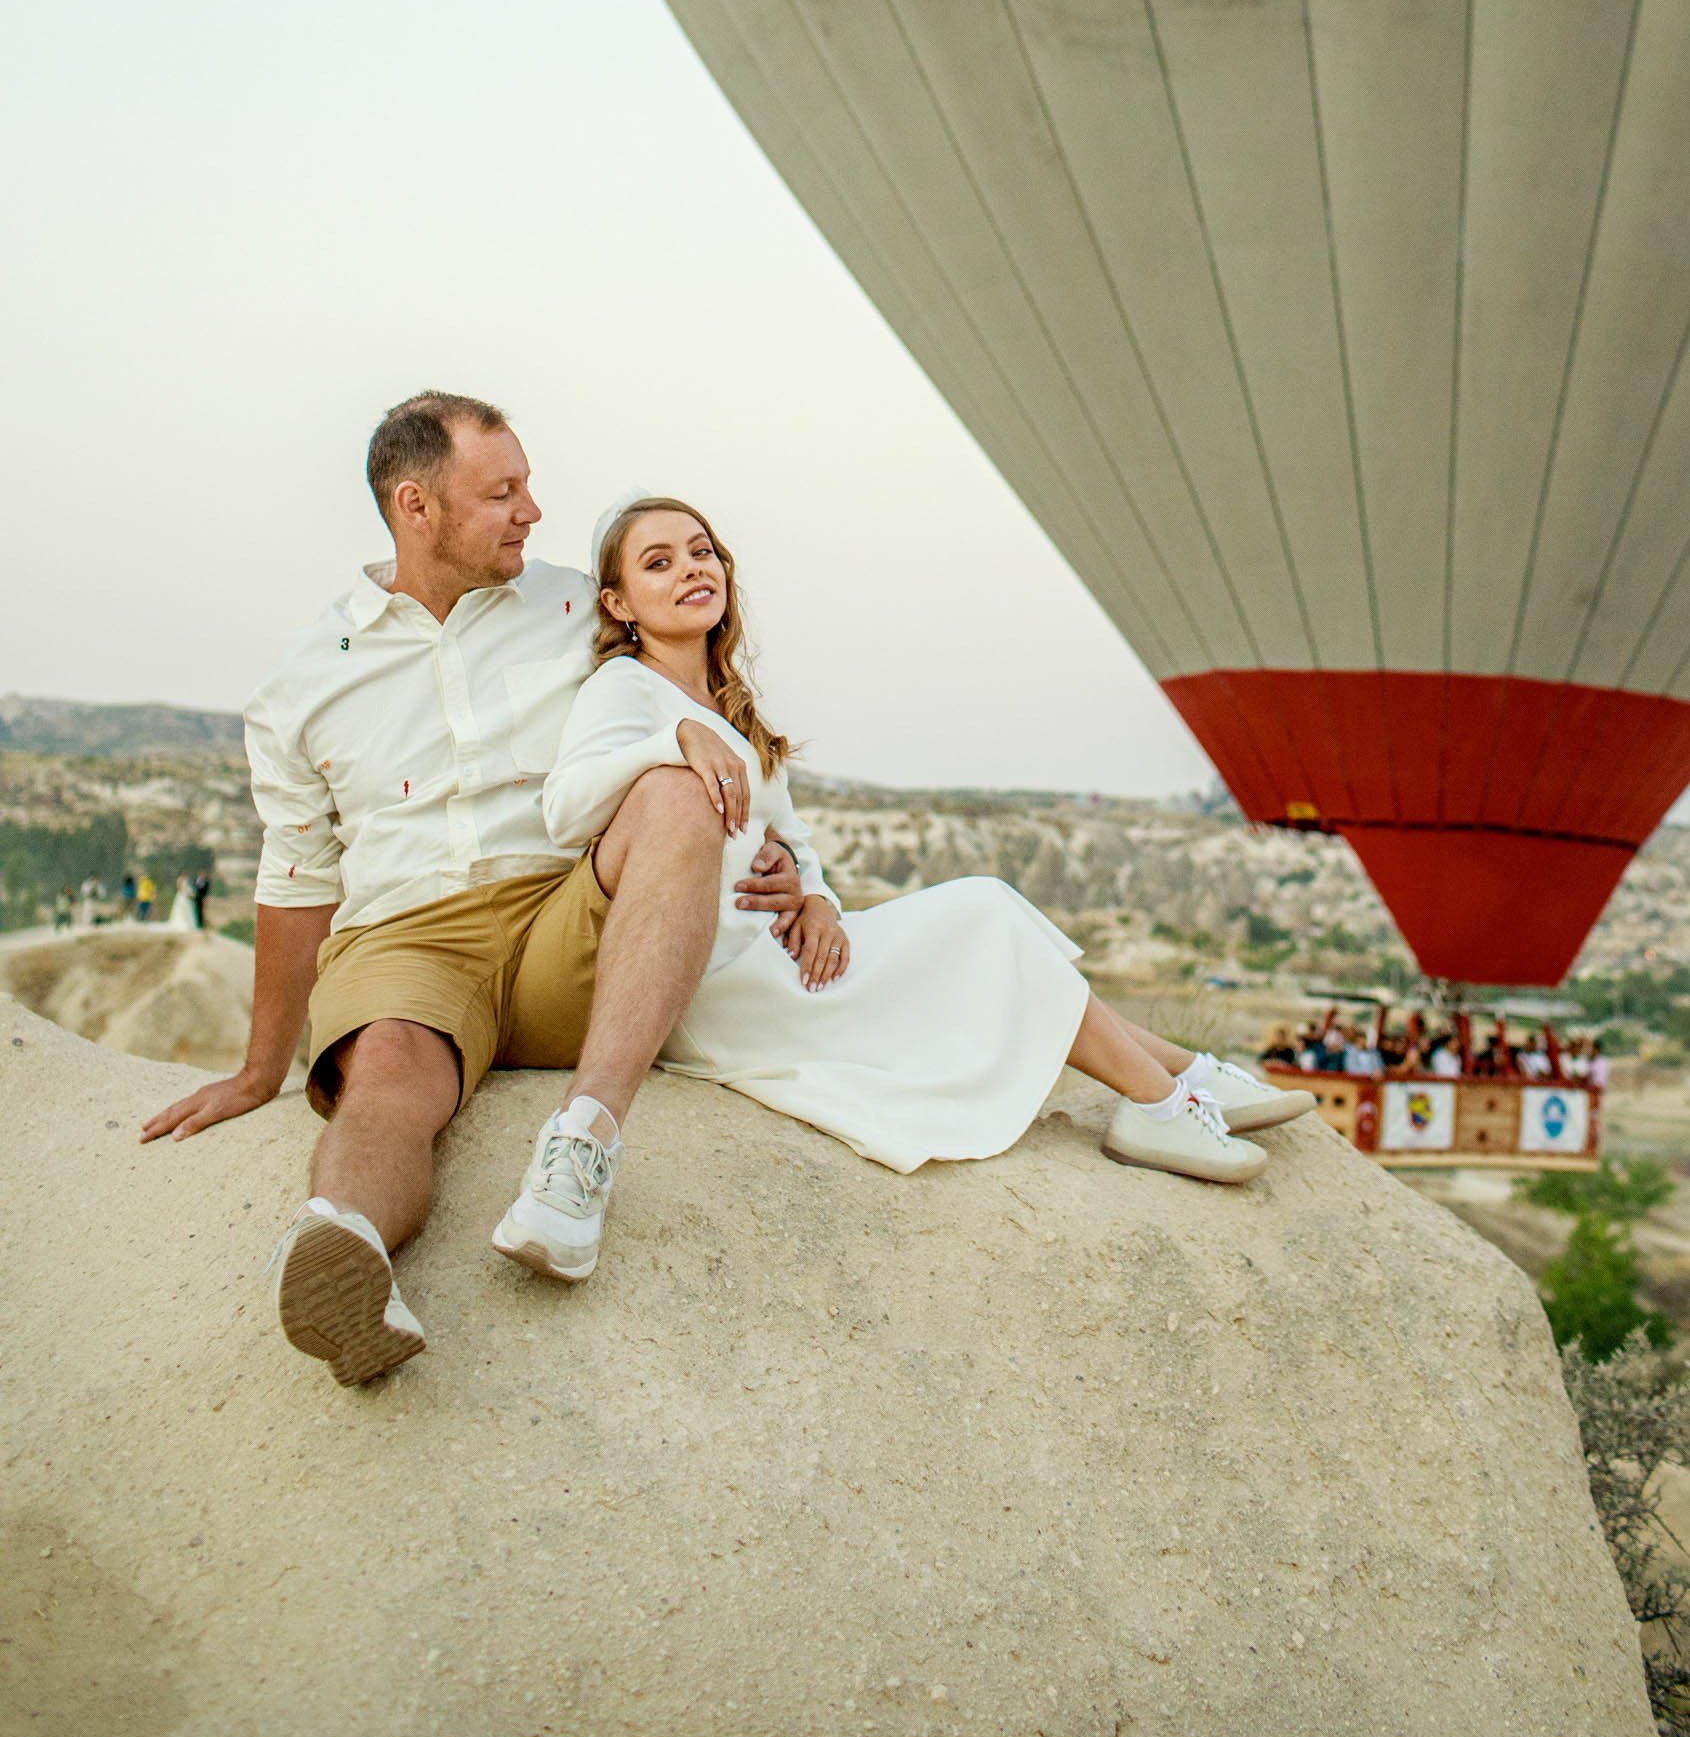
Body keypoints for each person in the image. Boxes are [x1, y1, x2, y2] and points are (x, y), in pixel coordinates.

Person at [142, 393, 808, 1389]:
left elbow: (705, 695)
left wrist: (786, 854)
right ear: (417, 508)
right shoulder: (302, 682)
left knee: (667, 790)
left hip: (566, 919)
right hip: (408, 940)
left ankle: (579, 1151)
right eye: (501, 493)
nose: (533, 511)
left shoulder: (586, 603)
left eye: (528, 486)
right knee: (387, 1084)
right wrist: (257, 1069)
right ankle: (345, 1254)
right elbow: (296, 878)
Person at [511, 495, 1309, 1263]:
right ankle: (1163, 1102)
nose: (693, 568)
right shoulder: (626, 690)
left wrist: (817, 896)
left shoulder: (727, 701)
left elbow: (793, 838)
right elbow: (568, 809)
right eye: (660, 562)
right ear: (618, 603)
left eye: (703, 551)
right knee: (985, 918)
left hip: (776, 956)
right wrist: (670, 743)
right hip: (715, 986)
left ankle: (1184, 1076)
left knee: (988, 919)